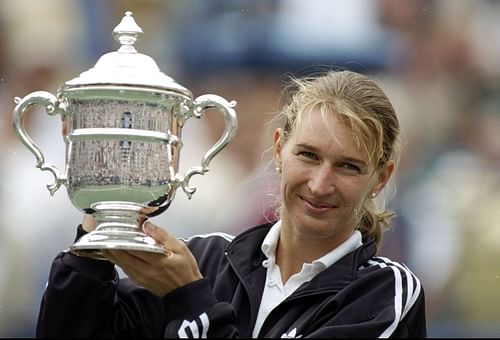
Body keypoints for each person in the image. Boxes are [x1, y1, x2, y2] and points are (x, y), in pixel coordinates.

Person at [36, 69, 426, 338]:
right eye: (308, 155)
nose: (321, 184)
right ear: (278, 150)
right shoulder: (207, 259)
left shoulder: (385, 294)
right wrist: (96, 231)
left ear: (381, 178)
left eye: (348, 166)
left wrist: (190, 300)